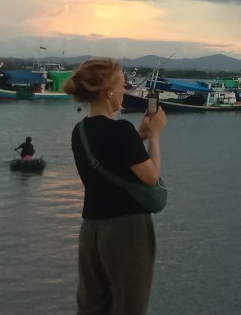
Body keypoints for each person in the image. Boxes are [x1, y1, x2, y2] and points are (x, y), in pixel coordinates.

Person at [64, 57, 167, 315]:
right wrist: (154, 136)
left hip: (91, 229)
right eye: (123, 85)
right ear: (108, 92)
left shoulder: (80, 132)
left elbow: (112, 154)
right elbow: (151, 176)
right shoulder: (121, 130)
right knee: (129, 306)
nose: (126, 90)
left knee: (91, 306)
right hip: (126, 230)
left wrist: (139, 135)